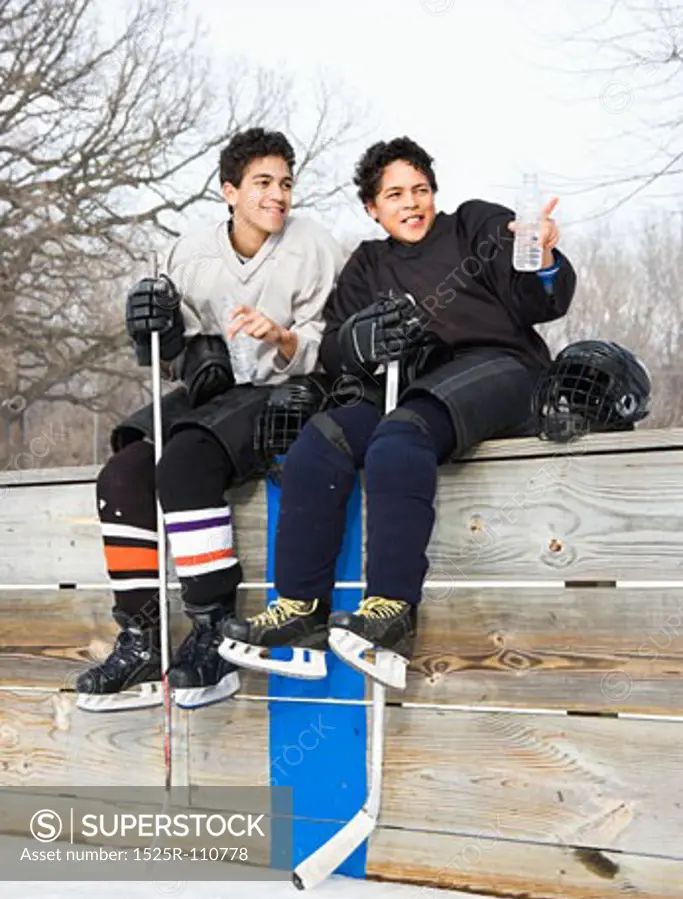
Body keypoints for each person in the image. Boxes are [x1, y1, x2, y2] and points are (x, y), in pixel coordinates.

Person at [220, 136, 576, 689]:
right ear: (372, 208)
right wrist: (359, 341)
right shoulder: (367, 264)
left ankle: (391, 610)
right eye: (394, 195)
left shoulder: (475, 227)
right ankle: (299, 612)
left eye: (420, 190)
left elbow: (539, 300)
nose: (411, 203)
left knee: (397, 438)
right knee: (320, 443)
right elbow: (335, 349)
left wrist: (543, 257)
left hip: (501, 368)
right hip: (412, 384)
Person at [76, 127, 344, 711]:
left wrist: (283, 335)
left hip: (282, 388)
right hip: (215, 389)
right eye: (262, 183)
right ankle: (142, 637)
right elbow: (170, 352)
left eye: (286, 184)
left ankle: (211, 631)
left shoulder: (313, 244)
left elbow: (332, 338)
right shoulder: (189, 250)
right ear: (229, 190)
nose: (277, 195)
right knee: (122, 474)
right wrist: (154, 330)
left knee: (187, 461)